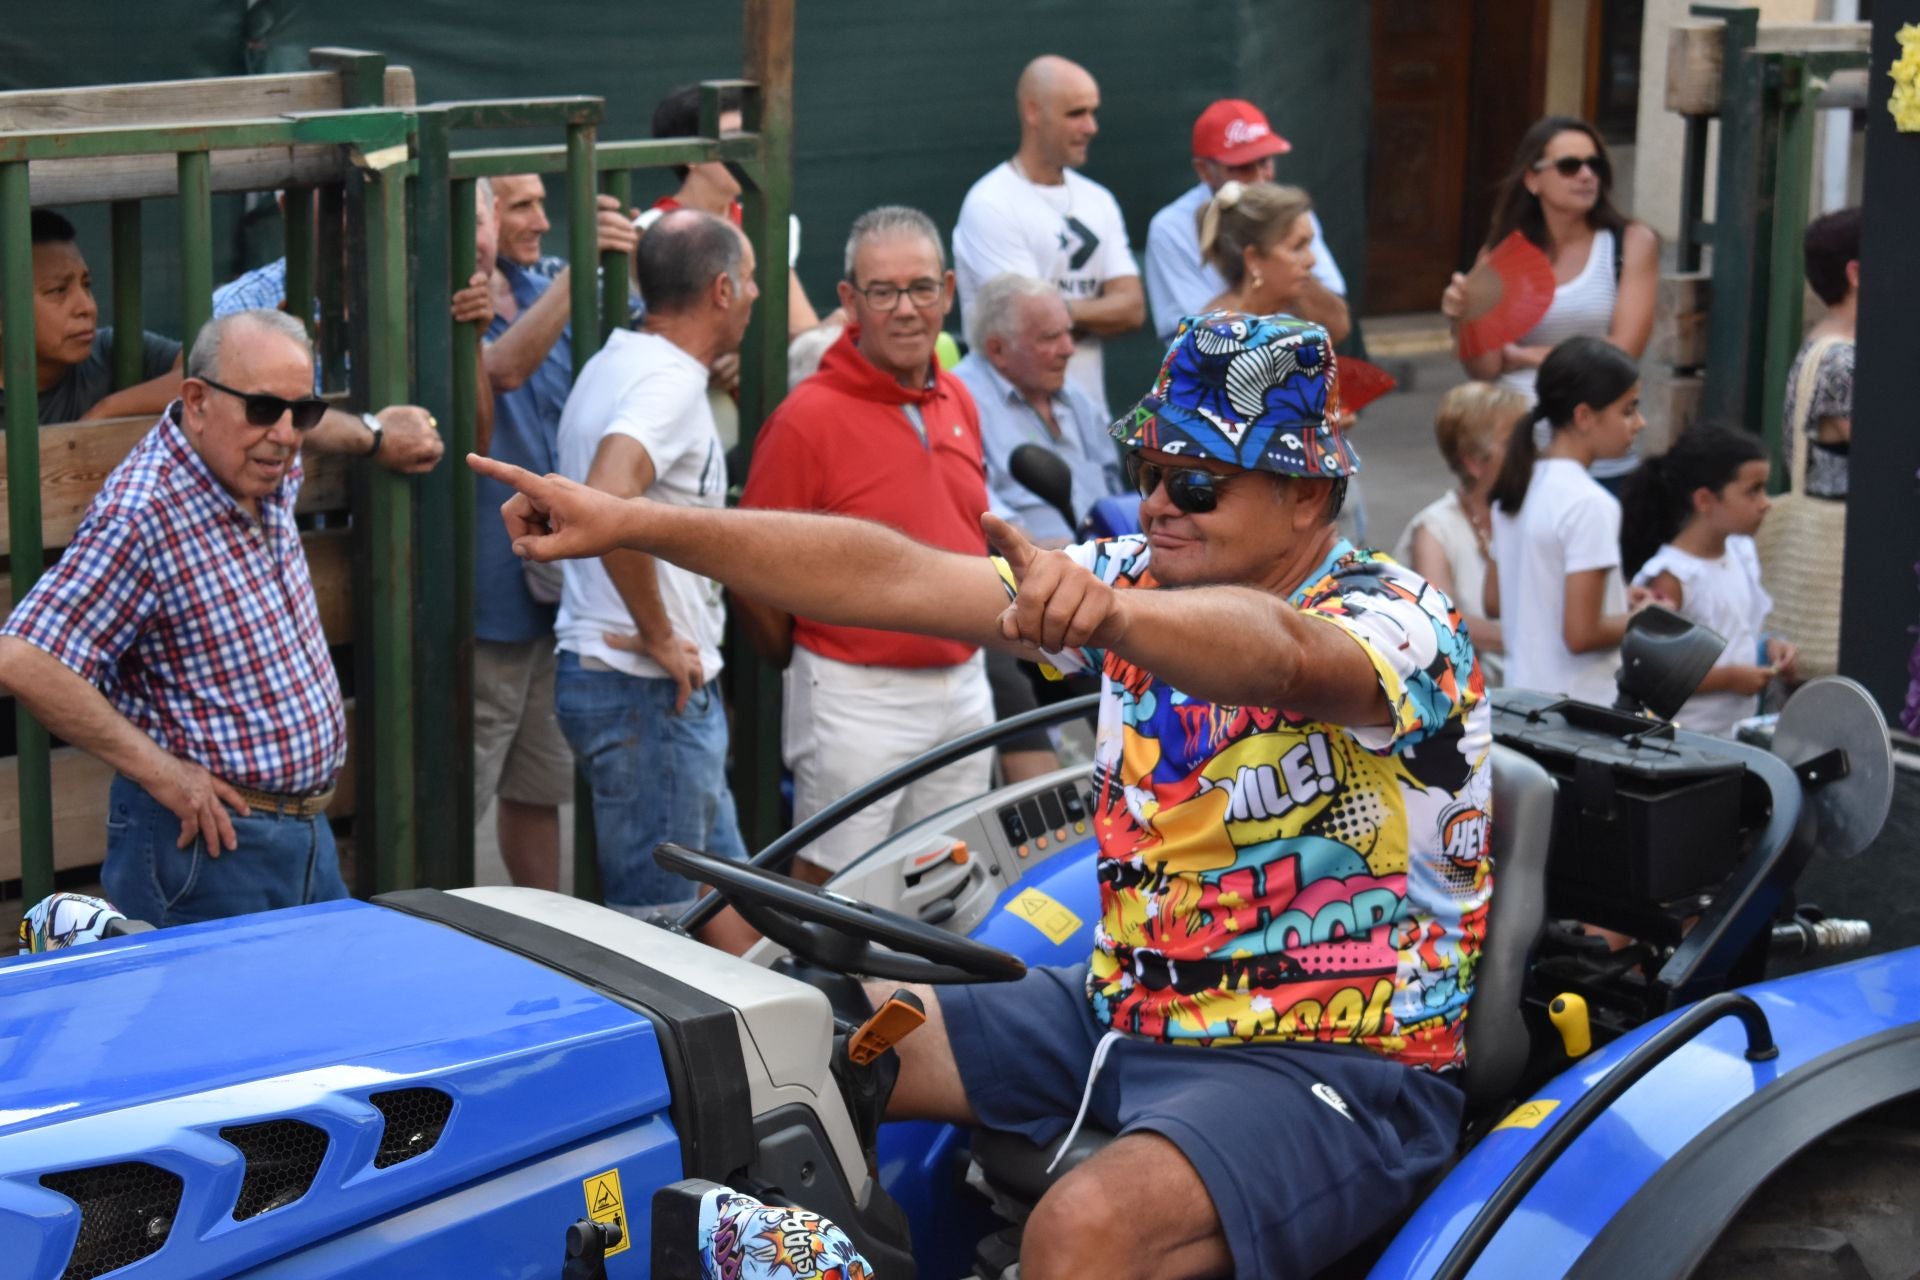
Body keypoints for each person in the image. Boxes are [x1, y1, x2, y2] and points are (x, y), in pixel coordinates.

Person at [470, 311, 1490, 1280]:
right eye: (1148, 471)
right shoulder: (1139, 576)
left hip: (1338, 1055)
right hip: (1123, 1001)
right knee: (784, 1043)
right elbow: (894, 575)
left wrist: (1114, 621)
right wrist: (637, 523)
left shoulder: (1398, 620)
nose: (1160, 502)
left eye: (1198, 481)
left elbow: (1281, 658)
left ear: (1306, 494)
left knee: (1083, 1227)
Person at [0, 310, 432, 926]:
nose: (285, 433)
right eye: (263, 409)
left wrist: (373, 433)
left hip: (300, 836)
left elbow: (287, 417)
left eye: (300, 412)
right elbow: (23, 658)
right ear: (196, 402)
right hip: (208, 848)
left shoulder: (254, 457)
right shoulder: (145, 515)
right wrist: (167, 775)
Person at [738, 206, 994, 883]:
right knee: (834, 887)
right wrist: (801, 655)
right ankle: (823, 993)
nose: (905, 309)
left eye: (920, 289)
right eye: (883, 291)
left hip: (966, 680)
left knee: (949, 883)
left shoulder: (960, 399)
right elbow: (753, 569)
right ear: (850, 301)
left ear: (948, 290)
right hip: (855, 694)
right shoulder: (805, 420)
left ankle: (920, 997)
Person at [551, 209, 756, 916]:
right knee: (659, 935)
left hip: (649, 692)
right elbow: (609, 498)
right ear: (723, 290)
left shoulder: (614, 363)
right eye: (753, 279)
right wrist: (661, 633)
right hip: (648, 691)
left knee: (732, 907)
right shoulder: (668, 383)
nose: (758, 295)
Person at [470, 174, 640, 891]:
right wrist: (578, 274)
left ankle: (545, 927)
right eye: (521, 207)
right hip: (484, 590)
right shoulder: (465, 301)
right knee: (462, 783)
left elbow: (646, 328)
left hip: (559, 584)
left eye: (546, 202)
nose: (541, 220)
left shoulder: (539, 284)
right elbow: (500, 369)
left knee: (538, 783)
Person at [1440, 116, 1658, 490]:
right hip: (1517, 454)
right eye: (1570, 166)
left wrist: (1524, 355)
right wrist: (1463, 318)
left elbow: (1623, 352)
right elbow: (1485, 367)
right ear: (1532, 179)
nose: (1587, 175)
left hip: (1598, 458)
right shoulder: (1501, 255)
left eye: (1596, 165)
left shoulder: (1629, 244)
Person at [953, 55, 1143, 418]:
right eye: (1076, 113)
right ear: (1033, 112)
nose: (1091, 127)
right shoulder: (990, 203)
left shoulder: (1098, 200)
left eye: (1093, 112)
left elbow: (1132, 309)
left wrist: (1060, 311)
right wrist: (1093, 311)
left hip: (1089, 420)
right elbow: (1026, 322)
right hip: (1009, 421)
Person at [210, 208, 462, 474]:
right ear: (287, 205)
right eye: (337, 198)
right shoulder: (240, 307)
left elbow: (469, 449)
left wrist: (473, 347)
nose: (352, 214)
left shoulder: (427, 296)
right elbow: (226, 432)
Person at [1486, 335, 1650, 706]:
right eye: (1628, 410)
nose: (1640, 423)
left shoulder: (1518, 486)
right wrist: (1643, 617)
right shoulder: (1590, 503)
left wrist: (1613, 598)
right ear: (1584, 416)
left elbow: (1496, 599)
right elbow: (1581, 633)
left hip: (1519, 703)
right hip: (1578, 714)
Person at [1622, 424, 1798, 734]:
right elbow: (1655, 674)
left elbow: (1735, 626)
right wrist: (1730, 679)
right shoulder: (1672, 577)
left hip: (1732, 734)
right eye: (1752, 491)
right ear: (1704, 500)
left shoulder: (1740, 551)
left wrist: (1768, 647)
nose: (1765, 502)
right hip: (1684, 740)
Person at [1145, 100, 1348, 343]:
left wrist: (1289, 268)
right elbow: (1199, 343)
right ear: (1204, 170)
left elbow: (1336, 327)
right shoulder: (1171, 228)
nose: (1261, 176)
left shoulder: (1291, 213)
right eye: (1243, 166)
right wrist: (1264, 272)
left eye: (1265, 161)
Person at [643, 82, 823, 343]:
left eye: (750, 139)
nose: (749, 153)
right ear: (691, 154)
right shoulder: (649, 230)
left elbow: (804, 329)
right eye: (731, 140)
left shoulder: (770, 223)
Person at [953, 272, 1125, 546]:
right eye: (1050, 338)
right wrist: (1043, 557)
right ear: (998, 350)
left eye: (1068, 332)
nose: (1068, 349)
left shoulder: (1074, 395)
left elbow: (1113, 485)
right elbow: (980, 511)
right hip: (1028, 572)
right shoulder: (958, 398)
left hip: (1108, 561)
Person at [1393, 382, 1530, 686]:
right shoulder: (1435, 529)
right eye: (1515, 442)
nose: (1530, 451)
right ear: (1474, 463)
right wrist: (1533, 639)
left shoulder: (1531, 510)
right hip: (1474, 695)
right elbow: (1445, 621)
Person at [0, 209, 182, 425]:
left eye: (86, 285)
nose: (88, 307)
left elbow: (207, 371)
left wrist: (106, 410)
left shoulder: (108, 350)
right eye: (58, 290)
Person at [1195, 181, 1351, 343]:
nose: (1312, 260)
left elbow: (1339, 328)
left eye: (1309, 245)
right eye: (1297, 247)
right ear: (1253, 259)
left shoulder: (1290, 300)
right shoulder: (1218, 333)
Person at [1783, 207, 1860, 502]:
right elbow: (1891, 458)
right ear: (1856, 273)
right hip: (1845, 538)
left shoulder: (1824, 342)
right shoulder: (1842, 361)